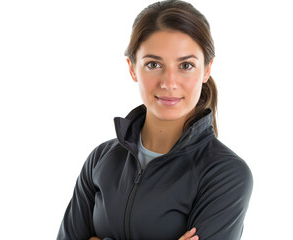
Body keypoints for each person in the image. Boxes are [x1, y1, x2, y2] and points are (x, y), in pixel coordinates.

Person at [57, 0, 253, 239]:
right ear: (132, 68)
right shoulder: (101, 159)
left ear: (207, 69)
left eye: (186, 65)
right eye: (153, 64)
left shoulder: (225, 175)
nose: (169, 82)